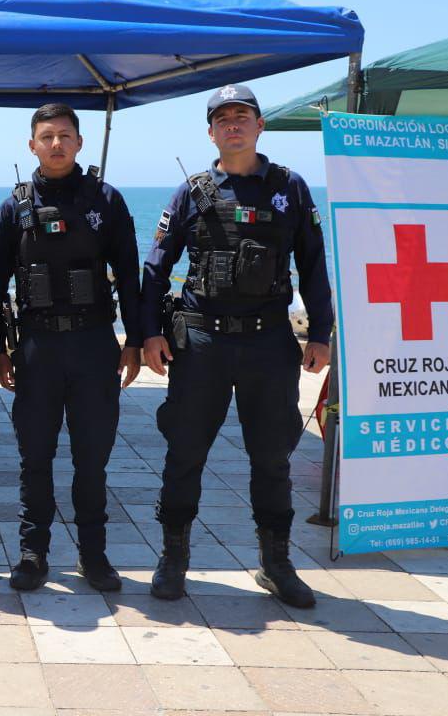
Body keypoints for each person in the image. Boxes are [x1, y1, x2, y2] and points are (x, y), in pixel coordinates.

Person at [141, 84, 331, 608]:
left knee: (272, 458)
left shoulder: (289, 188)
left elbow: (314, 265)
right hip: (201, 341)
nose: (233, 125)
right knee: (185, 454)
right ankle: (173, 560)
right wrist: (150, 334)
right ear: (211, 132)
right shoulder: (192, 191)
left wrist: (321, 333)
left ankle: (276, 563)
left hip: (270, 343)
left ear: (259, 125)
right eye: (222, 118)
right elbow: (155, 268)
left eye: (242, 116)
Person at [0, 103, 143, 592]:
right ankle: (33, 553)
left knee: (91, 457)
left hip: (94, 344)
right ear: (31, 144)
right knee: (34, 456)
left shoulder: (107, 200)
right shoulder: (15, 205)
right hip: (36, 346)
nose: (56, 144)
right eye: (46, 136)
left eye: (65, 136)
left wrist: (134, 340)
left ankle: (94, 556)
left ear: (79, 142)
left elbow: (131, 276)